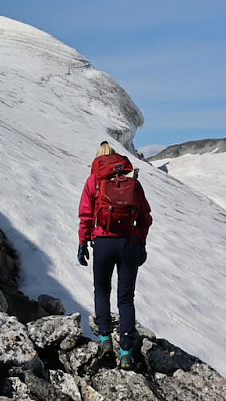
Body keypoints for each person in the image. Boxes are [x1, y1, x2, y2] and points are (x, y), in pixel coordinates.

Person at [77, 141, 152, 369]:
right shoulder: (132, 183)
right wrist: (140, 243)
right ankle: (127, 352)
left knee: (102, 290)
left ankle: (105, 341)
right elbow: (145, 217)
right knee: (126, 298)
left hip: (102, 243)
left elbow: (86, 216)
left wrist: (83, 243)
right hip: (128, 243)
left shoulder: (94, 182)